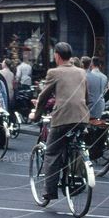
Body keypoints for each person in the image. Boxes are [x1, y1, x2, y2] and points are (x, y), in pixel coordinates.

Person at [30, 42, 90, 202]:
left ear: (56, 55)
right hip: (82, 117)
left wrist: (36, 115)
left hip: (63, 117)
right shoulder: (82, 72)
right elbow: (87, 96)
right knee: (76, 145)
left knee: (51, 153)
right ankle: (76, 175)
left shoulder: (54, 72)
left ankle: (49, 192)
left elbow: (43, 96)